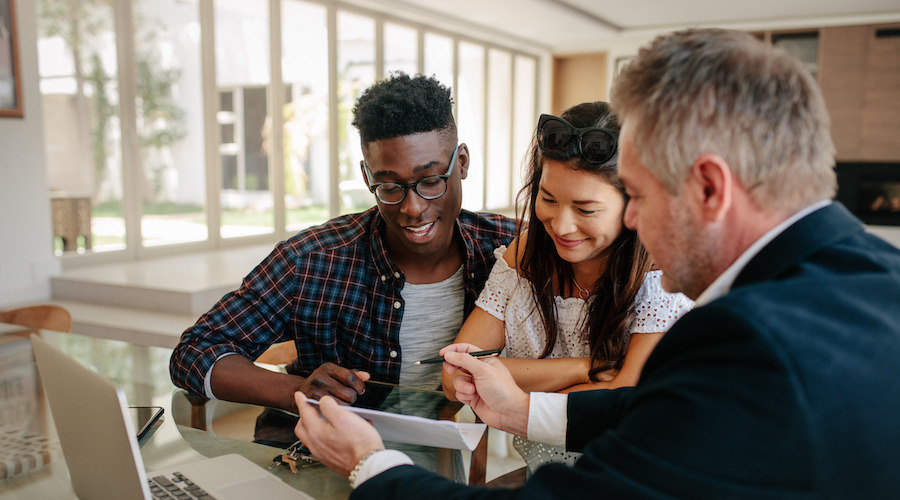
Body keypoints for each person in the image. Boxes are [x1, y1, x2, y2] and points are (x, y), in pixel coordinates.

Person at [291, 28, 900, 499]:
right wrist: (524, 411)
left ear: (709, 188)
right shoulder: (870, 275)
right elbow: (663, 406)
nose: (630, 222)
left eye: (635, 193)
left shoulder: (753, 339)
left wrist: (372, 463)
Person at [169, 73, 517, 412]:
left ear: (463, 163)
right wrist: (296, 390)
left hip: (467, 463)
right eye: (390, 187)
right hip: (330, 461)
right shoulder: (312, 261)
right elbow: (195, 352)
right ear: (367, 178)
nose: (413, 208)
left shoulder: (514, 249)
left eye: (430, 181)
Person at [441, 101, 692, 472]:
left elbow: (624, 399)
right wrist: (586, 368)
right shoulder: (524, 255)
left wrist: (511, 386)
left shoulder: (660, 272)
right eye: (547, 199)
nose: (561, 226)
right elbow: (456, 377)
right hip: (543, 480)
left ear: (633, 203)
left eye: (586, 209)